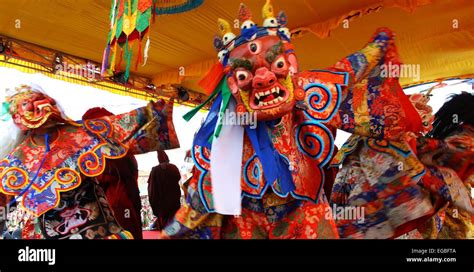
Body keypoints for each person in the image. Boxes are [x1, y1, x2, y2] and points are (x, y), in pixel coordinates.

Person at [159, 1, 420, 239]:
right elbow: (199, 197)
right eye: (244, 75)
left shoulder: (305, 91)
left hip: (306, 213)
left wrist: (378, 46)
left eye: (276, 65)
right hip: (247, 221)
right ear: (233, 85)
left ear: (291, 65)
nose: (263, 78)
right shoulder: (223, 128)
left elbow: (348, 71)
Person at [0, 84, 179, 239]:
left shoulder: (82, 134)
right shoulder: (13, 163)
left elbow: (130, 125)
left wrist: (164, 103)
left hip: (98, 228)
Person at [82, 107, 143, 239]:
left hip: (117, 203)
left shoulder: (109, 152)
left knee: (124, 233)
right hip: (127, 201)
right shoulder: (122, 148)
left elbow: (102, 177)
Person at [147, 150, 181, 230]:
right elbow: (178, 178)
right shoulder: (173, 167)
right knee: (173, 220)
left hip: (161, 201)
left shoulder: (155, 170)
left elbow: (151, 186)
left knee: (164, 223)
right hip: (173, 199)